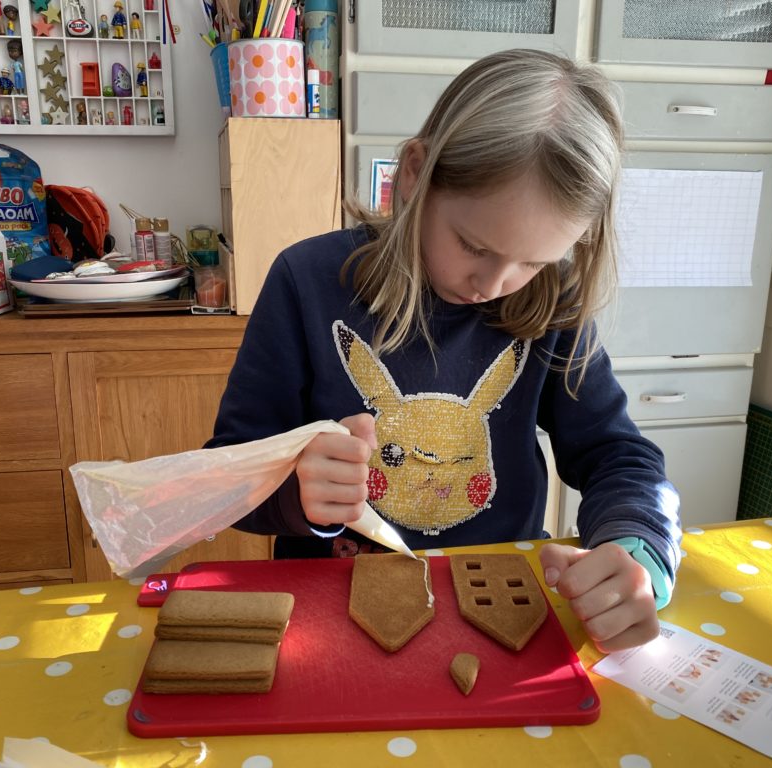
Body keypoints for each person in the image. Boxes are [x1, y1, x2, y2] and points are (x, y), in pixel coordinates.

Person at [206, 49, 682, 652]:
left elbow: (620, 457)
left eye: (534, 261)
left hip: (502, 608)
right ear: (414, 174)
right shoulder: (306, 280)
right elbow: (227, 472)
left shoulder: (552, 301)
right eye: (474, 245)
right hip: (329, 610)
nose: (496, 284)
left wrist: (635, 548)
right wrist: (292, 491)